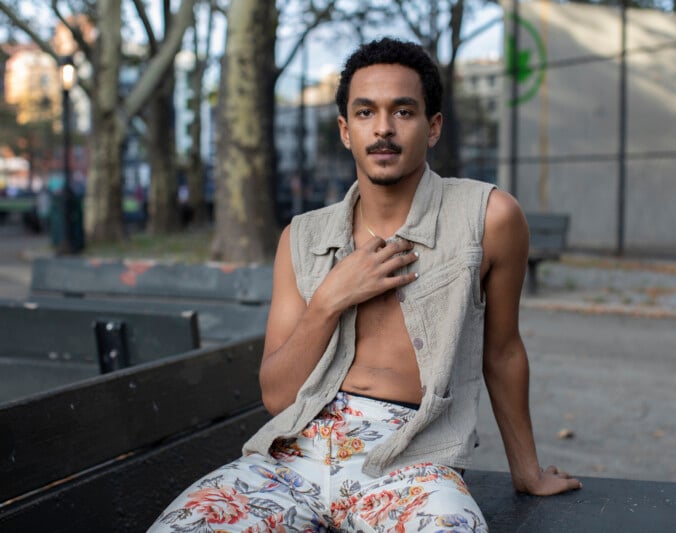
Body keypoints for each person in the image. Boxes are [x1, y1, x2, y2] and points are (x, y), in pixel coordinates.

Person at [150, 37, 580, 533]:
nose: (383, 129)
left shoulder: (488, 216)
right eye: (365, 112)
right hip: (292, 459)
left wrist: (526, 472)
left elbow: (502, 352)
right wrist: (330, 299)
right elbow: (277, 397)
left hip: (412, 462)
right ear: (344, 130)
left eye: (403, 111)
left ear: (433, 126)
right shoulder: (303, 237)